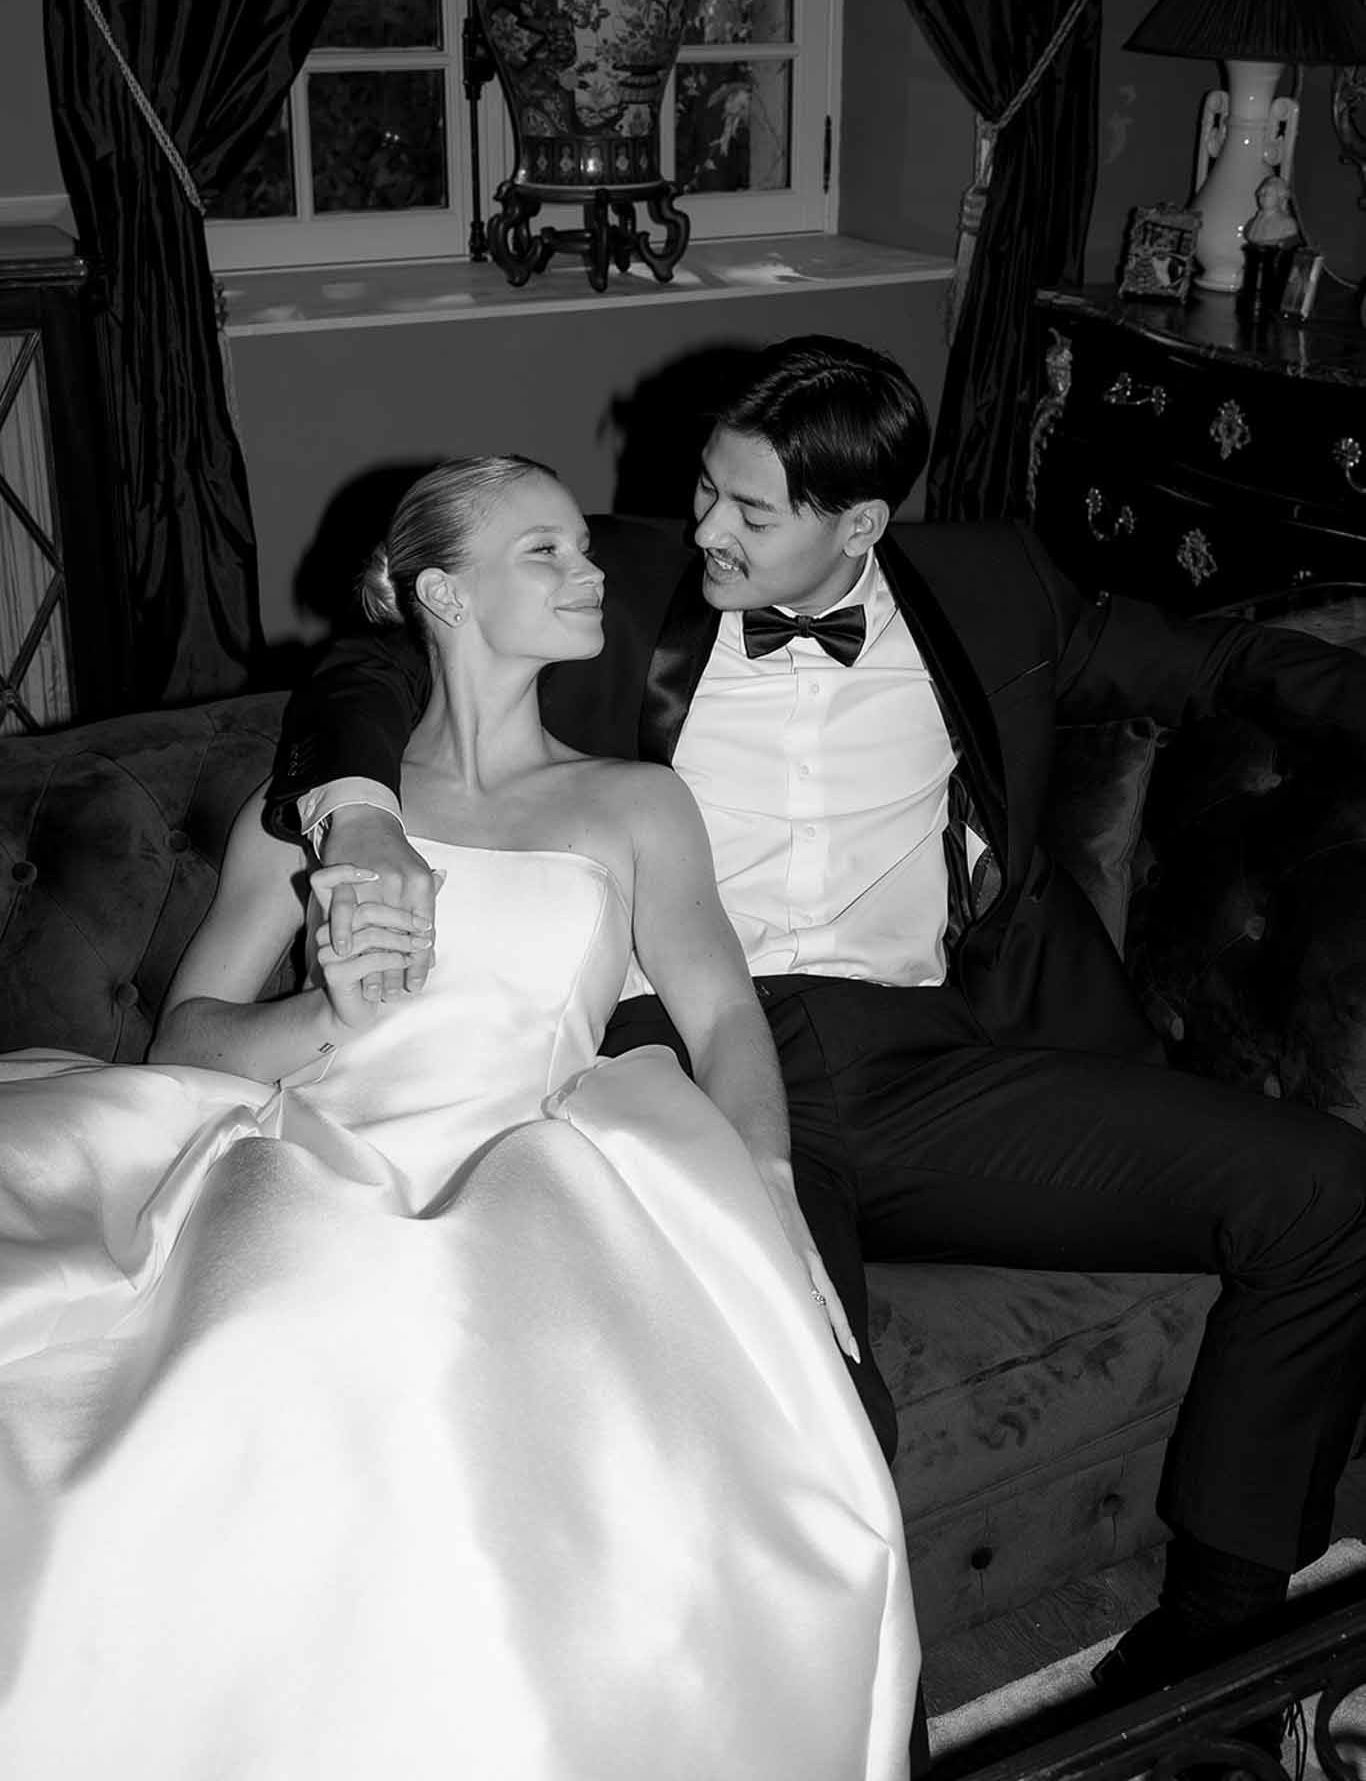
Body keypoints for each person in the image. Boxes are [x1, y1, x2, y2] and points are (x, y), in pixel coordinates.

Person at [276, 337, 1366, 1773]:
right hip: (680, 1070)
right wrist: (353, 814)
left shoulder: (991, 592)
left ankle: (1216, 1646)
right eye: (703, 494)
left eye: (751, 512)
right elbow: (369, 652)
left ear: (857, 525)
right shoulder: (612, 582)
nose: (706, 530)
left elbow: (1223, 656)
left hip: (927, 1062)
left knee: (1322, 1192)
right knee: (815, 1398)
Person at [0, 455, 918, 1781]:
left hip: (530, 1159)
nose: (589, 568)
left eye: (579, 548)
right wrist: (338, 1016)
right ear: (442, 593)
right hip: (312, 1147)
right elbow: (192, 1035)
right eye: (544, 552)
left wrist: (767, 1183)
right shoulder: (316, 812)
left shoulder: (634, 802)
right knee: (276, 1325)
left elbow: (722, 1019)